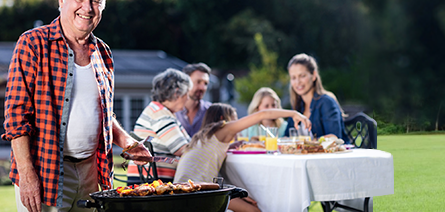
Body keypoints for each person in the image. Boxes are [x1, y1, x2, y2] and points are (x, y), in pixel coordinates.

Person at [1, 0, 151, 211]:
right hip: (45, 172)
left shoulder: (103, 53)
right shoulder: (33, 43)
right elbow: (16, 117)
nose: (87, 8)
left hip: (92, 171)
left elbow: (103, 113)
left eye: (95, 1)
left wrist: (129, 142)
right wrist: (27, 176)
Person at [174, 103, 311, 212]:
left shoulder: (203, 137)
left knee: (244, 199)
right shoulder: (224, 129)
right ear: (224, 120)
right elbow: (262, 114)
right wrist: (294, 113)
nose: (237, 125)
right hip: (196, 194)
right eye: (235, 120)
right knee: (253, 210)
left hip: (181, 192)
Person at [128, 68, 192, 183]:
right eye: (187, 94)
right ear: (177, 93)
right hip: (154, 183)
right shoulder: (161, 114)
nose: (188, 98)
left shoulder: (157, 110)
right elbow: (182, 149)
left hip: (146, 179)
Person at [285, 53, 350, 142]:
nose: (297, 82)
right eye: (293, 78)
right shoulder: (297, 105)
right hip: (305, 155)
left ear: (314, 75)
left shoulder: (326, 102)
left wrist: (305, 144)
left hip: (332, 155)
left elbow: (334, 138)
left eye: (302, 76)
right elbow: (287, 137)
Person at [175, 63, 212, 137]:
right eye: (198, 82)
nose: (202, 88)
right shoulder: (172, 111)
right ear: (185, 82)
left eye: (205, 84)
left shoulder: (211, 111)